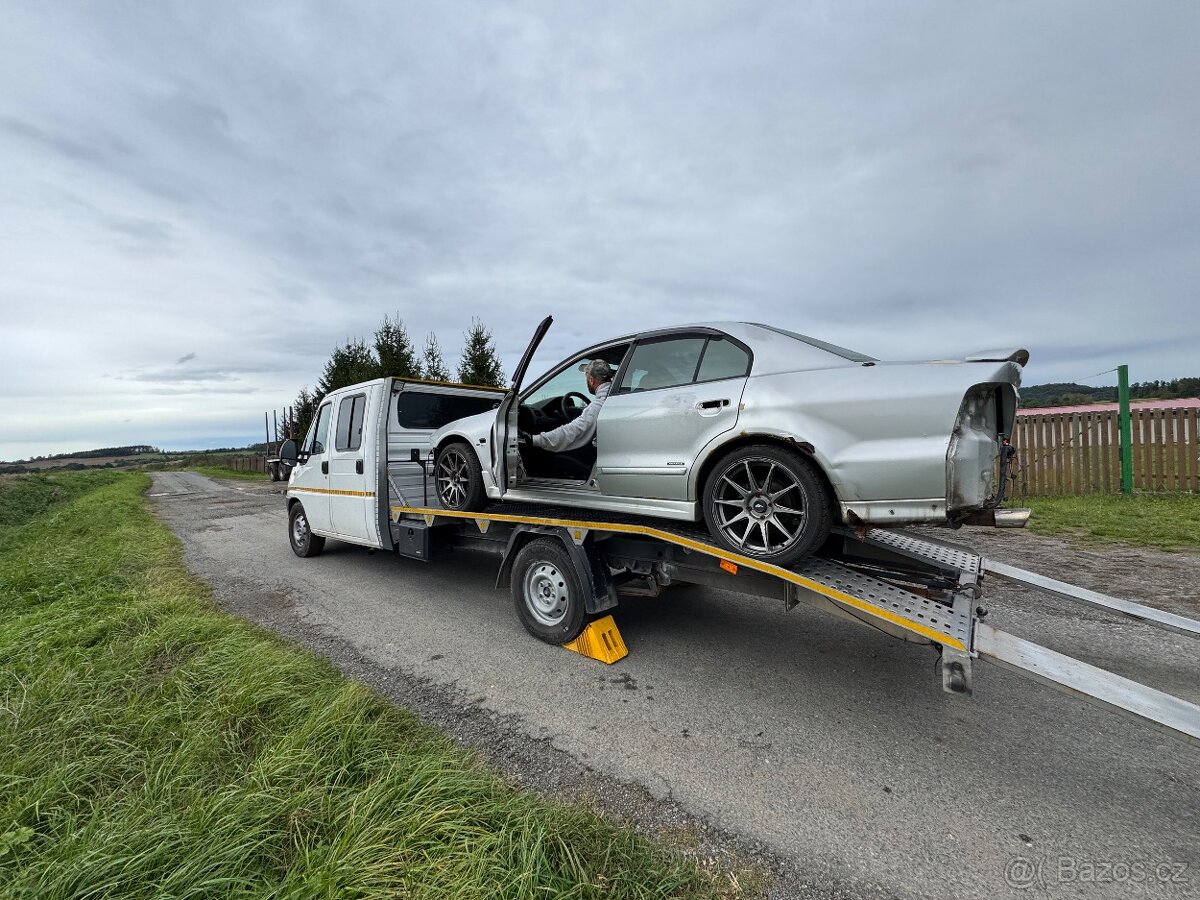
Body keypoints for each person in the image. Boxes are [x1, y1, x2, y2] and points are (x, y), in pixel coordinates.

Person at [519, 359, 614, 477]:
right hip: (604, 455)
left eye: (587, 378)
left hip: (598, 462)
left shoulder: (599, 405)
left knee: (558, 459)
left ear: (591, 379)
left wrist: (535, 440)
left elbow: (572, 432)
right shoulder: (612, 400)